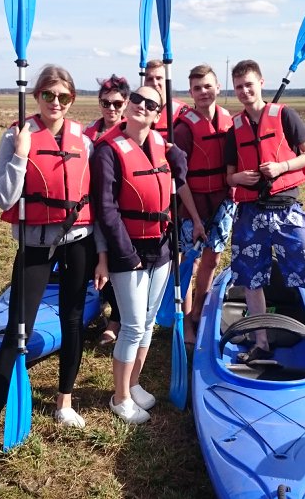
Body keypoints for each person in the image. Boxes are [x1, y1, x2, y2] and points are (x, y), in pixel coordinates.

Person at [0, 65, 107, 457]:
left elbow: (94, 202)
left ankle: (64, 401)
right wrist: (20, 157)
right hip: (35, 244)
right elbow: (2, 197)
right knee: (18, 329)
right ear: (37, 97)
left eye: (64, 97)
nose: (56, 103)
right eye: (49, 95)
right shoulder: (16, 135)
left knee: (74, 321)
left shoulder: (85, 140)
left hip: (78, 241)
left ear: (72, 100)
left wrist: (100, 255)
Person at [224, 60, 305, 362]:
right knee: (251, 281)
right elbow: (229, 176)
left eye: (248, 84)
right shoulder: (234, 129)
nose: (244, 91)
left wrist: (281, 167)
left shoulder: (285, 115)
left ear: (261, 83)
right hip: (250, 212)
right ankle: (260, 341)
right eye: (238, 86)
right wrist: (240, 178)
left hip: (286, 211)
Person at [91, 85, 188, 424]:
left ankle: (133, 384)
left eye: (151, 103)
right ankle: (119, 398)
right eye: (136, 99)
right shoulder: (107, 151)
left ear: (159, 114)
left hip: (160, 245)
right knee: (132, 325)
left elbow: (176, 183)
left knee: (146, 323)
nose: (141, 106)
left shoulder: (163, 145)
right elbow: (105, 207)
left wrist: (180, 161)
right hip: (127, 249)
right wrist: (125, 252)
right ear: (127, 104)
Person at [173, 65, 237, 345]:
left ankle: (199, 313)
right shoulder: (184, 129)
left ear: (218, 88)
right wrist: (196, 218)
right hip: (192, 203)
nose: (203, 92)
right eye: (197, 88)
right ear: (191, 92)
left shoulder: (228, 121)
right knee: (190, 260)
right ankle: (185, 319)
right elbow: (179, 178)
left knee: (212, 259)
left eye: (208, 86)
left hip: (222, 201)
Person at [84, 75, 130, 345]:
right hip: (90, 208)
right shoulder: (87, 133)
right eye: (105, 103)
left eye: (116, 103)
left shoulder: (132, 132)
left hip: (118, 209)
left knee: (115, 266)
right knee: (94, 263)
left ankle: (116, 320)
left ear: (125, 103)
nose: (111, 109)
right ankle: (96, 309)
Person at [143, 59, 188, 136]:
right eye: (150, 79)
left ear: (167, 80)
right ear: (144, 82)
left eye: (159, 78)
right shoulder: (138, 110)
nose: (154, 83)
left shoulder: (182, 112)